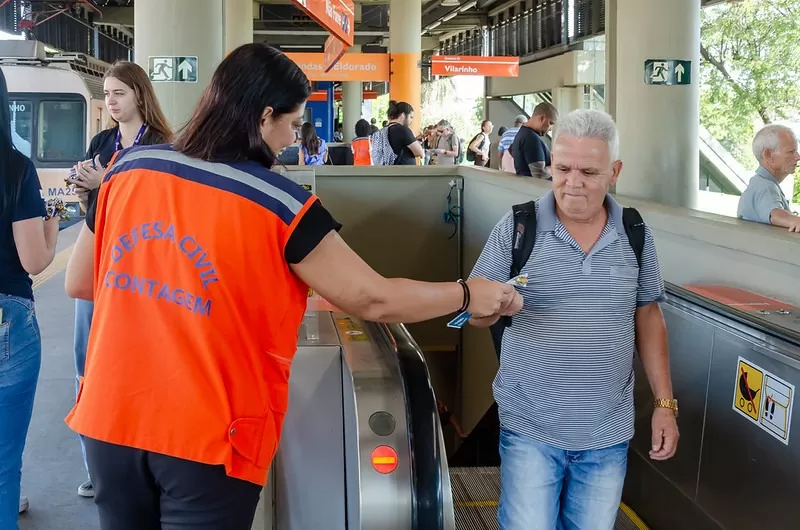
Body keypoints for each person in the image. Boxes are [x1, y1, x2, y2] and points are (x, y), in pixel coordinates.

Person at [63, 43, 519, 530]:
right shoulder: (279, 203)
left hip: (110, 421)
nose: (292, 138)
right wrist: (467, 293)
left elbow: (80, 282)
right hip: (208, 437)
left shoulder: (127, 171)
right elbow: (372, 297)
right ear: (264, 117)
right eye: (293, 123)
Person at [468, 109, 678, 530]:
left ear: (614, 172)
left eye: (589, 171)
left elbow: (648, 315)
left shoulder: (635, 233)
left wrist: (665, 405)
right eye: (563, 169)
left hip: (606, 434)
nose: (573, 182)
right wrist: (492, 307)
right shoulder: (518, 227)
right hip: (529, 427)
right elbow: (474, 313)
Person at [66, 60, 172, 499]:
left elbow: (160, 204)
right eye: (107, 94)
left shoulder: (164, 145)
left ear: (140, 95)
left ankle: (149, 461)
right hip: (100, 261)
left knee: (143, 360)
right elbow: (93, 208)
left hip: (144, 268)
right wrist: (84, 190)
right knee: (87, 362)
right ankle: (98, 467)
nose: (110, 101)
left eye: (118, 93)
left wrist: (106, 179)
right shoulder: (101, 143)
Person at [0, 69, 60, 529]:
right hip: (6, 318)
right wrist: (52, 225)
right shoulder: (15, 167)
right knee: (3, 463)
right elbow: (35, 260)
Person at [737, 124, 800, 232]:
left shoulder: (759, 183)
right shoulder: (765, 186)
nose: (798, 157)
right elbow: (775, 214)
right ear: (768, 155)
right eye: (791, 152)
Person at [511, 103, 558, 178]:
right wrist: (557, 167)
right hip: (536, 185)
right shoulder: (531, 139)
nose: (550, 129)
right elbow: (539, 175)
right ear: (542, 118)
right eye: (550, 123)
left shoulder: (523, 133)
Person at [383, 100, 424, 165]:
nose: (411, 121)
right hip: (403, 170)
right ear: (403, 115)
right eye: (411, 117)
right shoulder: (403, 130)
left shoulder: (383, 131)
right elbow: (420, 153)